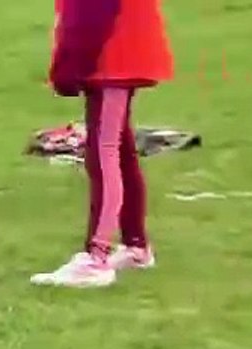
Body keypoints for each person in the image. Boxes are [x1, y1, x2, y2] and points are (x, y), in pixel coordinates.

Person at [33, 0, 173, 288]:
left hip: (112, 53)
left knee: (103, 150)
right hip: (119, 47)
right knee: (119, 148)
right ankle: (136, 245)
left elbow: (89, 11)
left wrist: (70, 64)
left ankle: (96, 257)